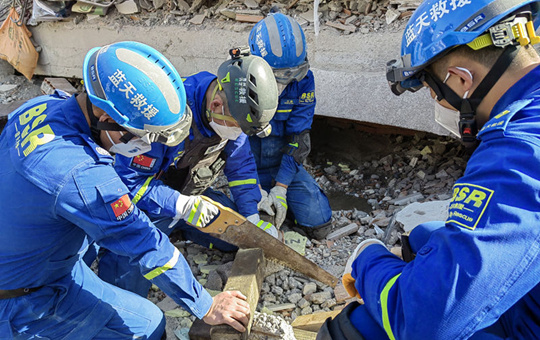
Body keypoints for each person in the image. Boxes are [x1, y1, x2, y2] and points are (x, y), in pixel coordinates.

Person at [318, 1, 540, 339]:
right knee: (422, 239)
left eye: (433, 92)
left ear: (462, 79)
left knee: (357, 328)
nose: (439, 104)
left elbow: (422, 321)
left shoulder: (518, 152)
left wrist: (367, 261)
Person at [0, 41, 250, 339]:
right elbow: (145, 243)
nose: (145, 146)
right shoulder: (85, 177)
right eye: (143, 137)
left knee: (145, 318)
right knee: (147, 327)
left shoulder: (41, 107)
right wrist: (206, 305)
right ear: (107, 120)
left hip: (42, 263)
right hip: (23, 301)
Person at [94, 47, 280, 298]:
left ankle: (177, 225)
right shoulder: (164, 116)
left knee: (237, 238)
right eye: (239, 129)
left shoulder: (231, 115)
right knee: (125, 287)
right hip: (147, 203)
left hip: (190, 195)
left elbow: (242, 167)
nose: (239, 135)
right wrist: (179, 205)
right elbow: (129, 184)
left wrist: (251, 217)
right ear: (216, 105)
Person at [248, 13, 333, 240]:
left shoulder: (304, 82)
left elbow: (299, 139)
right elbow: (233, 145)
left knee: (319, 224)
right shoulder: (239, 79)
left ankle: (285, 203)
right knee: (248, 227)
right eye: (277, 76)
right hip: (248, 167)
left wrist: (281, 188)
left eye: (293, 74)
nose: (284, 84)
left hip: (281, 164)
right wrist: (251, 188)